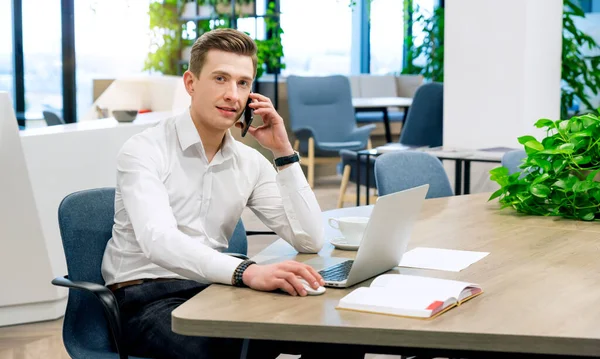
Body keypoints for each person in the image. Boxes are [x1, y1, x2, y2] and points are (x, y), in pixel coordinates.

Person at [100, 28, 364, 359]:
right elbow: (159, 241)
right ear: (191, 83)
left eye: (243, 83)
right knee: (228, 350)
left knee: (337, 331)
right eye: (220, 79)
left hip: (216, 289)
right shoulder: (144, 150)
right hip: (147, 296)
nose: (233, 95)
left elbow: (309, 239)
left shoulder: (249, 161)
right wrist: (245, 272)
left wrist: (282, 151)